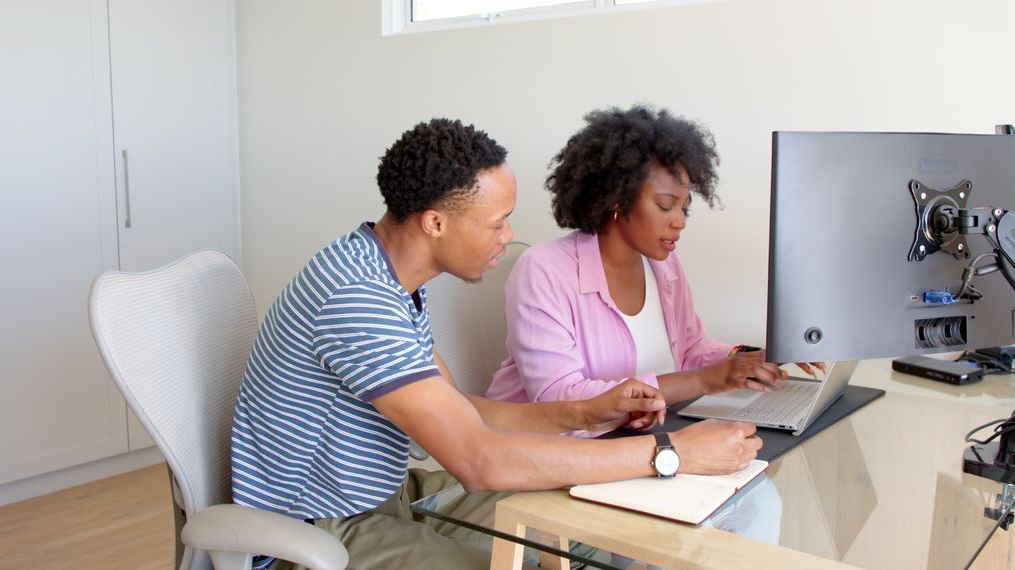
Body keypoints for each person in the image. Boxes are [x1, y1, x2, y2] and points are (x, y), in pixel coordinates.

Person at [231, 118, 762, 570]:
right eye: (498, 222)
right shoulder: (357, 299)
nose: (509, 236)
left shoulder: (385, 275)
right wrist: (670, 453)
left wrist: (588, 411)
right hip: (318, 525)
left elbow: (461, 411)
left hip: (387, 495)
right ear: (435, 223)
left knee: (588, 521)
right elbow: (480, 462)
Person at [486, 105, 819, 430]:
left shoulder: (663, 265)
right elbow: (559, 400)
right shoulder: (544, 270)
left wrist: (748, 360)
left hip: (632, 439)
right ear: (617, 198)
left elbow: (691, 350)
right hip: (546, 454)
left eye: (684, 208)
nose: (679, 222)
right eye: (665, 205)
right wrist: (706, 380)